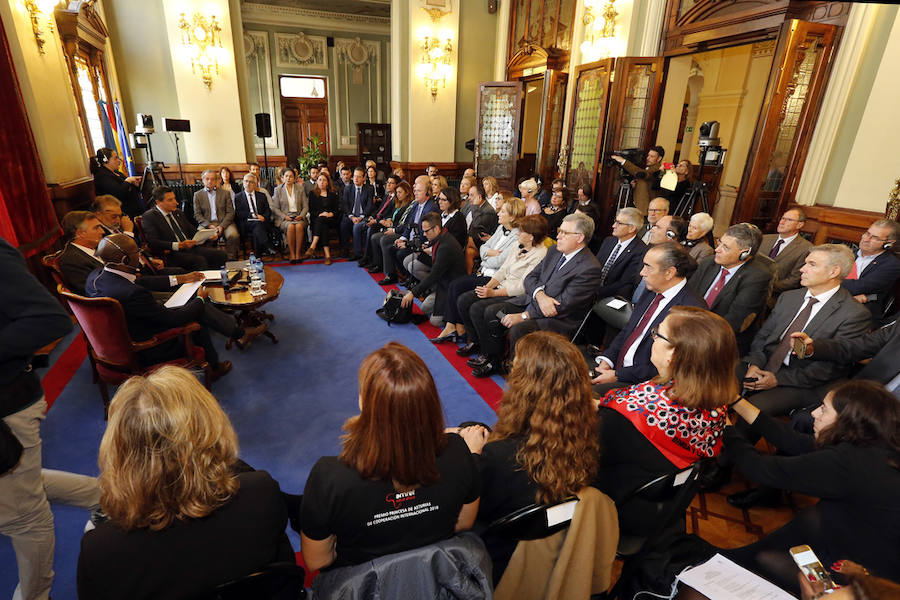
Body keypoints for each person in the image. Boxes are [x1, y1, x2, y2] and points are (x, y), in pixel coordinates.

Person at [77, 366, 293, 599]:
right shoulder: (260, 493)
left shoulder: (100, 551)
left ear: (118, 447)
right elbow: (283, 577)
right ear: (208, 427)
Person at [300, 342, 480, 571]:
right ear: (429, 402)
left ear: (364, 402)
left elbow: (319, 561)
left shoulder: (330, 477)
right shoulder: (459, 453)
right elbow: (463, 524)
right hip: (435, 574)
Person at [725, 380, 900, 593]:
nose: (814, 413)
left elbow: (759, 468)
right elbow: (791, 439)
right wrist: (735, 400)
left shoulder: (846, 463)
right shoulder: (873, 443)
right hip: (875, 542)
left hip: (875, 575)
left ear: (847, 423)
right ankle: (739, 557)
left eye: (824, 409)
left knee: (766, 558)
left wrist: (725, 426)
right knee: (812, 517)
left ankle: (737, 562)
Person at [1, 237, 101, 600]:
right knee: (20, 482)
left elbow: (48, 319)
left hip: (7, 408)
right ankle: (107, 498)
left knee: (23, 515)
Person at [463, 331, 599, 580]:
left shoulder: (496, 458)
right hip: (547, 534)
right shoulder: (588, 438)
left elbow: (465, 517)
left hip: (495, 557)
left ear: (526, 386)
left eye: (514, 366)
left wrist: (472, 455)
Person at [595, 307, 735, 521]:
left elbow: (586, 455)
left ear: (674, 353)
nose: (653, 339)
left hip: (615, 505)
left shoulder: (628, 416)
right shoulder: (717, 406)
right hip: (664, 502)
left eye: (657, 334)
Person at [86, 234, 248, 380]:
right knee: (196, 311)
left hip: (117, 337)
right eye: (138, 252)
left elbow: (140, 282)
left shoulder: (95, 277)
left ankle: (234, 333)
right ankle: (215, 366)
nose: (141, 255)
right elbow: (175, 319)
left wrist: (180, 278)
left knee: (192, 303)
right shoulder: (133, 294)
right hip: (147, 347)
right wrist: (200, 299)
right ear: (125, 260)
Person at [739, 244, 871, 418]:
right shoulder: (789, 297)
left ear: (833, 272)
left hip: (801, 380)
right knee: (713, 379)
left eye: (812, 264)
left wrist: (777, 379)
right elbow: (762, 338)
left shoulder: (854, 314)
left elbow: (830, 368)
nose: (802, 269)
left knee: (752, 410)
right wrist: (754, 364)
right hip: (764, 363)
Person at [472, 212, 604, 377]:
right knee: (492, 313)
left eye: (564, 233)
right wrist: (540, 295)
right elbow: (530, 278)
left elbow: (561, 306)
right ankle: (496, 361)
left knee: (518, 329)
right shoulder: (555, 250)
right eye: (559, 230)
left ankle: (520, 377)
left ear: (579, 238)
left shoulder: (589, 268)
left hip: (558, 320)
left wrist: (524, 316)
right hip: (534, 302)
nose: (558, 235)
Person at [591, 242, 706, 396]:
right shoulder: (652, 289)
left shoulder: (691, 310)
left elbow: (671, 365)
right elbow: (629, 330)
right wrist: (608, 359)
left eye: (648, 267)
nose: (641, 273)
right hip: (618, 369)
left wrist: (619, 375)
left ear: (669, 273)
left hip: (647, 385)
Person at [435, 214, 546, 346]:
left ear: (531, 237)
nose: (517, 234)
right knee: (463, 300)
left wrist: (493, 293)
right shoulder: (518, 245)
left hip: (516, 295)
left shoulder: (540, 254)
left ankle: (488, 351)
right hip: (500, 286)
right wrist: (488, 287)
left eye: (521, 231)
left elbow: (522, 287)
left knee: (477, 308)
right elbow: (503, 270)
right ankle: (474, 341)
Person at [58, 210, 196, 297]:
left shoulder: (97, 248)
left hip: (136, 287)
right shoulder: (71, 260)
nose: (101, 231)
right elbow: (95, 294)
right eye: (96, 228)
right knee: (192, 299)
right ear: (80, 233)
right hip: (127, 302)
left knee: (189, 290)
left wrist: (178, 278)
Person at [688, 223, 774, 354]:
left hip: (719, 343)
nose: (717, 249)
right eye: (720, 242)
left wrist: (695, 338)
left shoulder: (757, 277)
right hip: (690, 330)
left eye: (726, 247)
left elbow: (734, 323)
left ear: (744, 254)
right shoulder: (708, 262)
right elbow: (688, 296)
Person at [792, 320, 900, 397]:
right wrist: (813, 348)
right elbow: (857, 346)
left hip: (887, 420)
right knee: (803, 419)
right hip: (862, 395)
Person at [400, 212, 467, 327]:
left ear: (436, 228)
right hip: (443, 281)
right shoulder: (442, 237)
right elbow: (435, 264)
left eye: (426, 231)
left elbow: (434, 274)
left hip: (451, 288)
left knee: (435, 321)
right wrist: (419, 253)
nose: (424, 234)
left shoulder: (446, 245)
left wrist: (413, 292)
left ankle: (454, 314)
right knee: (425, 308)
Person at [140, 186, 227, 270]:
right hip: (171, 253)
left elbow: (193, 232)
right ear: (158, 202)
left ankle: (218, 280)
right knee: (199, 261)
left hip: (190, 248)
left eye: (174, 198)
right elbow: (153, 242)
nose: (176, 202)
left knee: (220, 254)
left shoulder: (178, 213)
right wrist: (178, 245)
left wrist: (208, 236)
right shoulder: (149, 217)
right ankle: (203, 284)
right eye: (170, 200)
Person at [376, 175, 437, 286]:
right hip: (411, 239)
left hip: (420, 243)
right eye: (415, 190)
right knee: (392, 248)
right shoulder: (416, 204)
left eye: (418, 191)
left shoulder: (430, 208)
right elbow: (408, 225)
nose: (415, 193)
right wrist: (402, 238)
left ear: (427, 193)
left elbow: (425, 234)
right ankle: (406, 277)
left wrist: (408, 244)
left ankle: (412, 280)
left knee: (400, 253)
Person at [841, 219, 900, 322]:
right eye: (867, 233)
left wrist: (828, 282)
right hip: (834, 304)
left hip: (860, 313)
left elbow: (858, 287)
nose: (866, 239)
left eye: (875, 238)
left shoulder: (892, 264)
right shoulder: (848, 253)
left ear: (889, 243)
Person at [594, 207, 648, 302]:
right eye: (615, 221)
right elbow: (595, 266)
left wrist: (596, 292)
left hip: (610, 299)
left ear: (631, 228)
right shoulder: (608, 241)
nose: (613, 226)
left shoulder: (641, 251)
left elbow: (625, 283)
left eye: (619, 223)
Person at [758, 208, 812, 297]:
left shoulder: (806, 248)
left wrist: (764, 286)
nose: (782, 222)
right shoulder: (764, 239)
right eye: (782, 218)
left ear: (800, 224)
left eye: (789, 220)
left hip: (775, 296)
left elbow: (794, 280)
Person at [365, 179, 413, 274]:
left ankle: (390, 274)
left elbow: (404, 223)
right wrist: (389, 219)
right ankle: (378, 264)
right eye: (397, 192)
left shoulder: (409, 205)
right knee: (374, 237)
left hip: (400, 232)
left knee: (384, 239)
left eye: (400, 192)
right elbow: (393, 215)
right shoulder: (398, 203)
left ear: (407, 193)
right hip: (393, 227)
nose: (397, 194)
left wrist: (393, 228)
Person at [192, 169, 240, 260]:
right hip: (206, 224)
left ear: (217, 180)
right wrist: (209, 225)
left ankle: (230, 258)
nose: (210, 181)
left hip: (224, 223)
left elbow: (230, 212)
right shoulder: (197, 195)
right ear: (202, 180)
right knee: (198, 237)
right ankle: (208, 259)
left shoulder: (225, 193)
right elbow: (197, 215)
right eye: (207, 179)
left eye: (213, 179)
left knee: (233, 235)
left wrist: (222, 226)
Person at [357, 174, 400, 267]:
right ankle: (361, 254)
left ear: (397, 185)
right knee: (359, 226)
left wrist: (376, 220)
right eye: (387, 182)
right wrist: (373, 217)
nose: (388, 185)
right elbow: (379, 210)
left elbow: (389, 215)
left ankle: (369, 258)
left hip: (384, 223)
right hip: (377, 219)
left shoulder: (397, 199)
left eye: (391, 183)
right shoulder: (387, 196)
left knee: (372, 228)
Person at [271, 166, 309, 264]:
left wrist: (301, 215)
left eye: (291, 176)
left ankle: (298, 253)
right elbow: (275, 208)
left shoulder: (300, 188)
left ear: (295, 178)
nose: (288, 178)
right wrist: (285, 217)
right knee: (291, 227)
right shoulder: (278, 190)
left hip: (299, 216)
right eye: (286, 176)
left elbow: (305, 206)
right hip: (285, 218)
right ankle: (292, 254)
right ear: (282, 178)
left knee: (299, 226)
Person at [611, 146, 665, 214]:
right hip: (639, 205)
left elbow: (642, 173)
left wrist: (623, 161)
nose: (648, 158)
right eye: (648, 155)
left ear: (659, 158)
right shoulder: (649, 167)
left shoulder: (658, 169)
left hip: (645, 210)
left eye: (652, 156)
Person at [91, 148, 143, 217]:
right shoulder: (102, 176)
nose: (119, 161)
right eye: (115, 158)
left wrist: (135, 184)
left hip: (133, 210)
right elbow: (119, 193)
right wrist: (128, 181)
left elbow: (127, 188)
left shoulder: (116, 172)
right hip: (119, 214)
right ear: (106, 161)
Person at [234, 173, 275, 257]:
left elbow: (268, 210)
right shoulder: (238, 197)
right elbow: (239, 213)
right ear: (243, 182)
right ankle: (267, 246)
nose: (248, 184)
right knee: (257, 225)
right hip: (246, 222)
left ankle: (258, 256)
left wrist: (263, 217)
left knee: (257, 227)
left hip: (261, 222)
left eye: (251, 182)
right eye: (246, 181)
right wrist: (254, 216)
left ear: (255, 184)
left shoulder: (262, 196)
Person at [304, 173, 341, 265]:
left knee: (322, 221)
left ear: (328, 182)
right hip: (317, 219)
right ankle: (327, 256)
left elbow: (337, 210)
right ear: (317, 181)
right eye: (320, 180)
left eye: (324, 180)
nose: (322, 182)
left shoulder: (333, 194)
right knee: (322, 224)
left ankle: (313, 245)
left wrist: (330, 214)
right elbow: (312, 210)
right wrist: (321, 214)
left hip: (331, 219)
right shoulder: (312, 194)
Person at [341, 167, 375, 260]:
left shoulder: (369, 189)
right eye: (354, 176)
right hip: (350, 215)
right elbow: (345, 205)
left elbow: (370, 205)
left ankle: (358, 253)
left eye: (359, 177)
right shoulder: (348, 188)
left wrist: (361, 217)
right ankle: (345, 250)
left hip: (363, 215)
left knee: (359, 226)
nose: (355, 179)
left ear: (364, 178)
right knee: (344, 224)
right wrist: (351, 217)